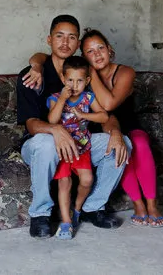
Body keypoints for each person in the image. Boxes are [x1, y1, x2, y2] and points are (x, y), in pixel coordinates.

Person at [28, 29, 163, 228]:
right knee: (111, 150)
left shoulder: (114, 74)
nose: (97, 54)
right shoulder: (78, 80)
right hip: (87, 132)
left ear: (109, 49)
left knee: (131, 144)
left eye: (100, 48)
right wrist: (36, 63)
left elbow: (108, 108)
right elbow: (45, 56)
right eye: (90, 52)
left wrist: (90, 73)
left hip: (116, 125)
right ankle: (137, 205)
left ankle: (142, 205)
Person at [17, 15, 131, 238]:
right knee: (45, 142)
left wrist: (115, 132)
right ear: (49, 39)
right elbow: (31, 125)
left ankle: (92, 208)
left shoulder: (84, 73)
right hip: (41, 147)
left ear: (78, 44)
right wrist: (56, 130)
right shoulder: (32, 75)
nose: (65, 42)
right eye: (59, 36)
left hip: (80, 142)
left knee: (122, 143)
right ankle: (40, 214)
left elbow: (106, 113)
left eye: (71, 37)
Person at [48, 56, 109, 239]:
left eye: (80, 80)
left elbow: (104, 117)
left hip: (82, 148)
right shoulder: (55, 98)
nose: (74, 85)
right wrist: (62, 100)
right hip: (64, 150)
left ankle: (76, 209)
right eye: (70, 80)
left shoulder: (88, 97)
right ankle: (66, 222)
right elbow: (52, 120)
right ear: (63, 79)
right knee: (64, 182)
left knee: (87, 180)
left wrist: (84, 115)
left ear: (87, 81)